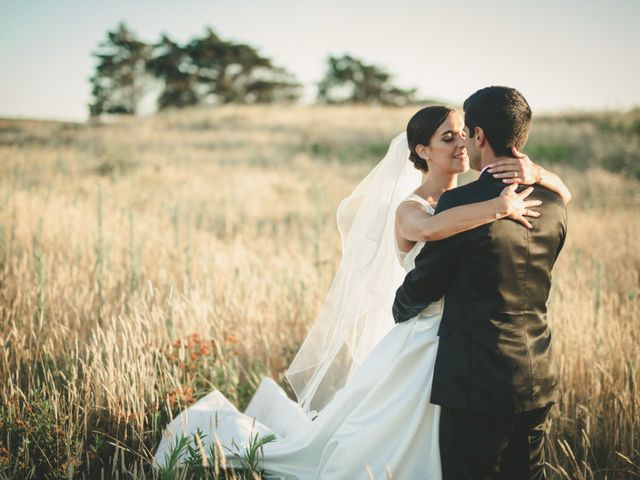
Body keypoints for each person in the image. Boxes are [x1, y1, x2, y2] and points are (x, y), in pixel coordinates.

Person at [154, 102, 570, 479]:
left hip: (463, 343)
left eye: (463, 134)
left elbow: (551, 199)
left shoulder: (464, 200)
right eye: (447, 137)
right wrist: (499, 207)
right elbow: (429, 232)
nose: (461, 143)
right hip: (426, 334)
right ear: (422, 151)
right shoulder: (415, 207)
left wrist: (540, 174)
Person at [393, 87, 568, 479]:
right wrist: (541, 176)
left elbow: (426, 285)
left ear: (480, 137)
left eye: (464, 133)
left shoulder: (458, 206)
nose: (461, 144)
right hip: (538, 372)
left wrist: (398, 309)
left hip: (476, 379)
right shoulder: (555, 203)